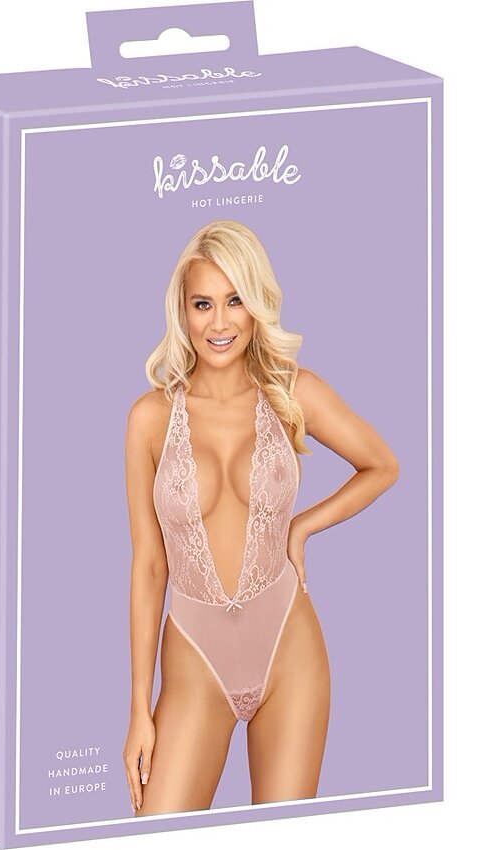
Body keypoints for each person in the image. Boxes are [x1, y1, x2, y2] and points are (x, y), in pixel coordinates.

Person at [123, 219, 399, 816]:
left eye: (235, 300)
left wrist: (303, 526)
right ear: (182, 310)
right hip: (194, 660)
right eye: (203, 304)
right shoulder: (149, 418)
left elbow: (381, 465)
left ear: (256, 306)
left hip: (288, 648)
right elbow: (149, 566)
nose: (219, 323)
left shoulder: (290, 393)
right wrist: (139, 708)